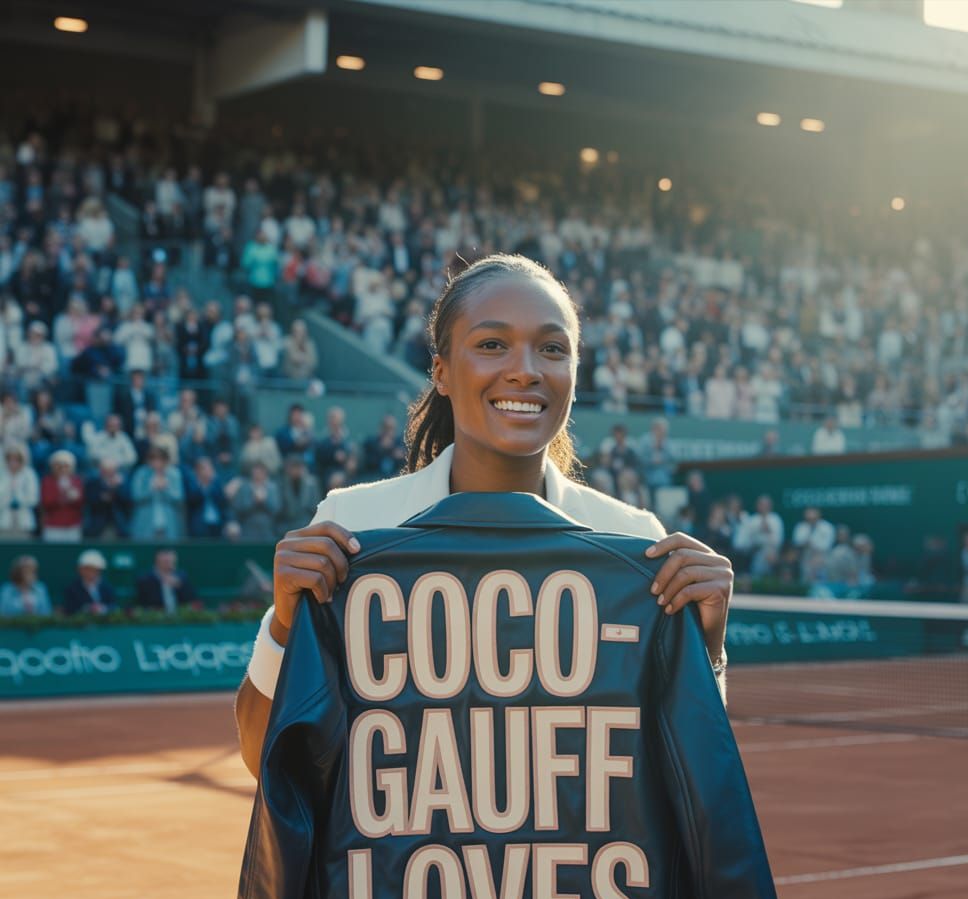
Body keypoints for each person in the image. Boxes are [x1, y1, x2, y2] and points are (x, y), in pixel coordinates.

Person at [235, 253, 733, 776]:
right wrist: (284, 627)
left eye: (552, 348)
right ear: (442, 373)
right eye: (492, 345)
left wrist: (705, 652)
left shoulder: (635, 540)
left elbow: (686, 768)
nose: (525, 371)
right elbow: (264, 759)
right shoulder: (352, 522)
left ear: (574, 374)